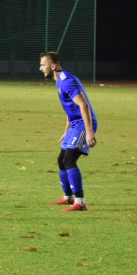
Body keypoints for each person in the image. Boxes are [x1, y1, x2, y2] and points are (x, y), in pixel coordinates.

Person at [39, 52, 96, 211]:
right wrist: (66, 131)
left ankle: (80, 202)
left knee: (70, 159)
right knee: (61, 159)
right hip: (75, 125)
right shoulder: (60, 80)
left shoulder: (66, 82)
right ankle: (68, 197)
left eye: (43, 65)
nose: (40, 68)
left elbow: (83, 106)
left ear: (53, 66)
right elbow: (70, 109)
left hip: (83, 124)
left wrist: (89, 131)